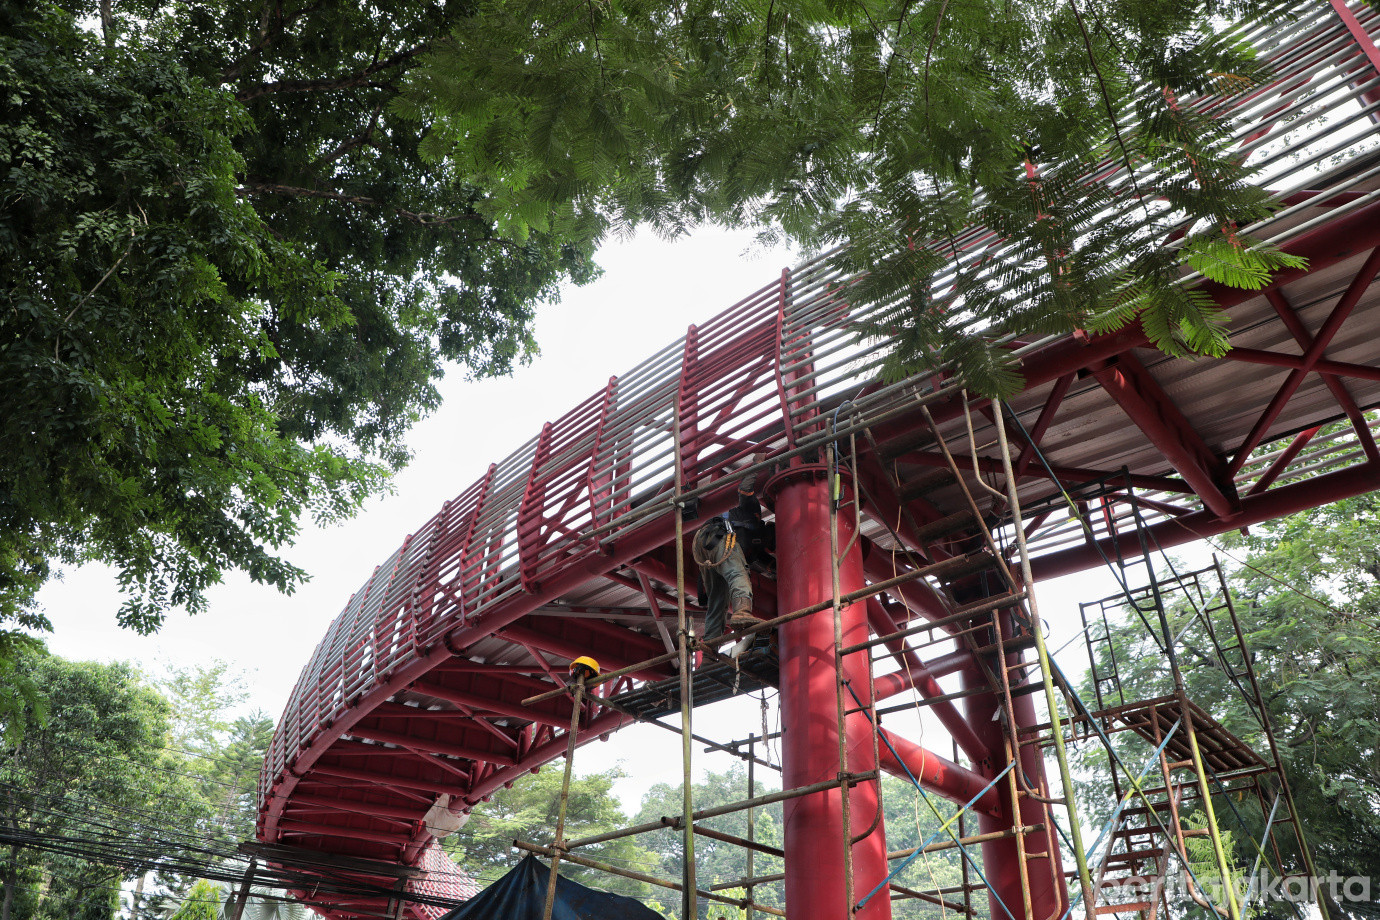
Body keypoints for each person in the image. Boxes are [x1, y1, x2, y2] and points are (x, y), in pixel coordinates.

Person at [692, 474, 775, 642]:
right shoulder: (754, 514)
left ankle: (710, 648)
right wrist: (756, 465)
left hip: (704, 545)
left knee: (718, 600)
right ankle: (742, 612)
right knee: (739, 573)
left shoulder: (756, 553)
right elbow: (745, 488)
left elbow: (775, 568)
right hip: (718, 535)